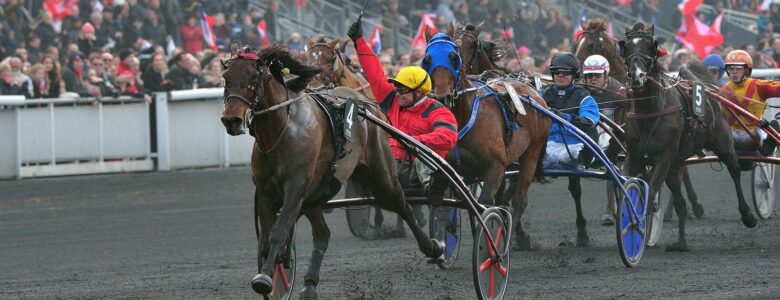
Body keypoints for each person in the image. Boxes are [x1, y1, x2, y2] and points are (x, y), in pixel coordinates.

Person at [348, 20, 458, 236]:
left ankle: (434, 188)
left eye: (403, 90)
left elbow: (447, 136)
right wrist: (358, 41)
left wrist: (418, 141)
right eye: (397, 88)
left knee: (424, 160)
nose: (398, 93)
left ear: (419, 92)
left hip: (415, 167)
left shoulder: (437, 111)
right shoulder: (392, 99)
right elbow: (375, 72)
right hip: (389, 166)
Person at [582, 54, 625, 226]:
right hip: (589, 131)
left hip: (612, 131)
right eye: (589, 76)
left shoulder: (618, 91)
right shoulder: (581, 91)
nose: (592, 80)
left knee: (610, 158)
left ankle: (610, 209)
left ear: (605, 75)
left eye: (596, 76)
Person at [542, 52, 599, 169]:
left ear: (574, 75)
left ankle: (583, 159)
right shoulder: (544, 93)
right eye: (557, 72)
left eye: (566, 72)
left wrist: (566, 118)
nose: (560, 75)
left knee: (592, 133)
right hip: (548, 146)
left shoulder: (584, 96)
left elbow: (589, 122)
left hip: (574, 145)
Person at [720, 50, 780, 157]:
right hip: (731, 137)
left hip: (754, 137)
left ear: (747, 70)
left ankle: (768, 146)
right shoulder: (722, 91)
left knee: (773, 125)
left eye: (738, 68)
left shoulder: (759, 86)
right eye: (731, 68)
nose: (734, 72)